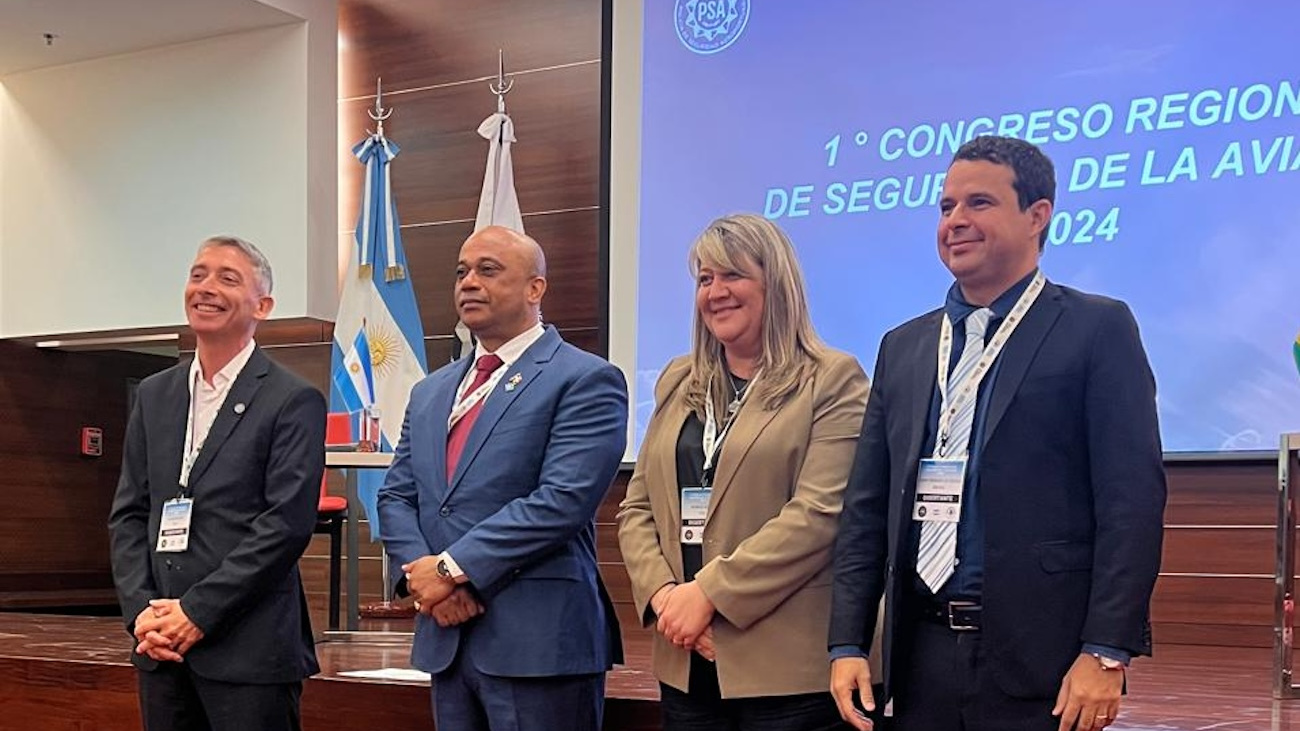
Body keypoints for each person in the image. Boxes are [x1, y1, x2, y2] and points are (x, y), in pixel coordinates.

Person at [828, 135, 1167, 731]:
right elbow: (866, 508)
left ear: (1038, 216)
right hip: (919, 656)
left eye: (978, 203)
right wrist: (848, 642)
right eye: (946, 207)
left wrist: (1106, 653)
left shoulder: (1096, 329)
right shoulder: (902, 347)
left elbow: (1131, 504)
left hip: (1046, 664)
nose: (955, 221)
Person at [618, 213, 870, 730]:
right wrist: (668, 600)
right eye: (705, 279)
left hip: (784, 671)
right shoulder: (677, 380)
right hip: (686, 658)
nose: (715, 292)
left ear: (775, 284)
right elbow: (637, 508)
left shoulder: (833, 380)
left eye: (732, 275)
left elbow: (819, 515)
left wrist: (708, 594)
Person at [377, 225, 627, 731]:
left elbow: (561, 501)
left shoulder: (584, 378)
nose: (469, 282)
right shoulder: (431, 390)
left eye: (488, 270)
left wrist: (449, 570)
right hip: (447, 636)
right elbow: (396, 496)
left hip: (538, 643)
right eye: (461, 272)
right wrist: (430, 583)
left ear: (536, 289)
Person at [108, 236, 326, 731]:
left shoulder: (292, 400)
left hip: (248, 652)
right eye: (198, 274)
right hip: (160, 647)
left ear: (263, 305)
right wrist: (142, 613)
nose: (206, 288)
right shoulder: (154, 394)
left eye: (228, 278)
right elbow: (129, 513)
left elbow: (285, 526)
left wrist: (198, 612)